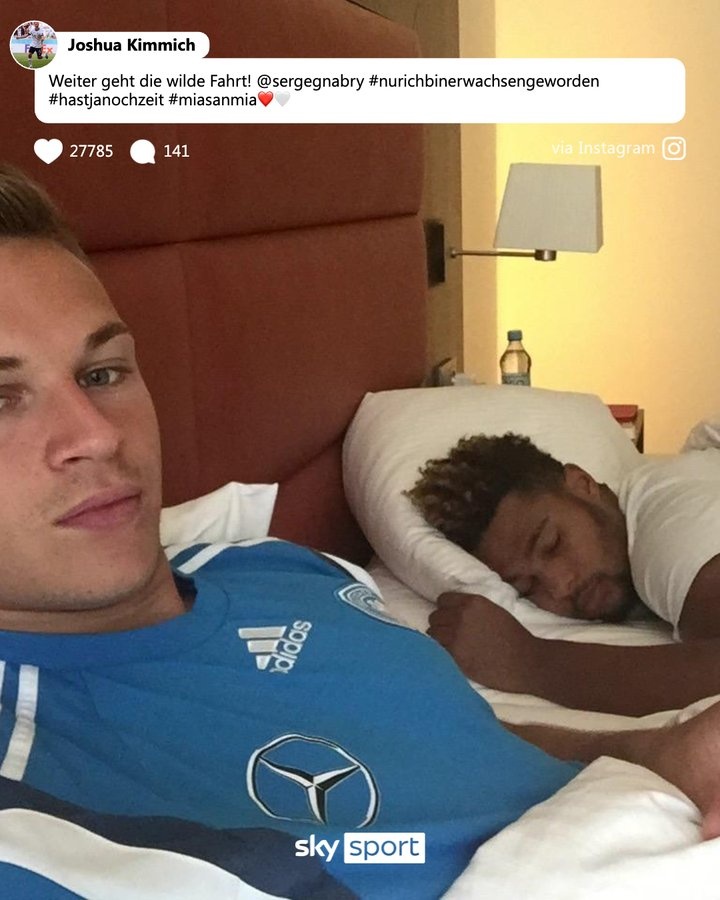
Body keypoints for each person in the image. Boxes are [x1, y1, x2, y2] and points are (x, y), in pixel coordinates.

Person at [2, 164, 720, 898]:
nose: (96, 435)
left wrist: (662, 753)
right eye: (1, 398)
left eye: (102, 374)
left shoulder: (282, 568)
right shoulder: (32, 811)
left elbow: (448, 741)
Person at [408, 433, 720, 717]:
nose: (559, 587)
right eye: (528, 587)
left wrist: (527, 660)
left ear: (582, 484)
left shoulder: (671, 528)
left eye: (552, 544)